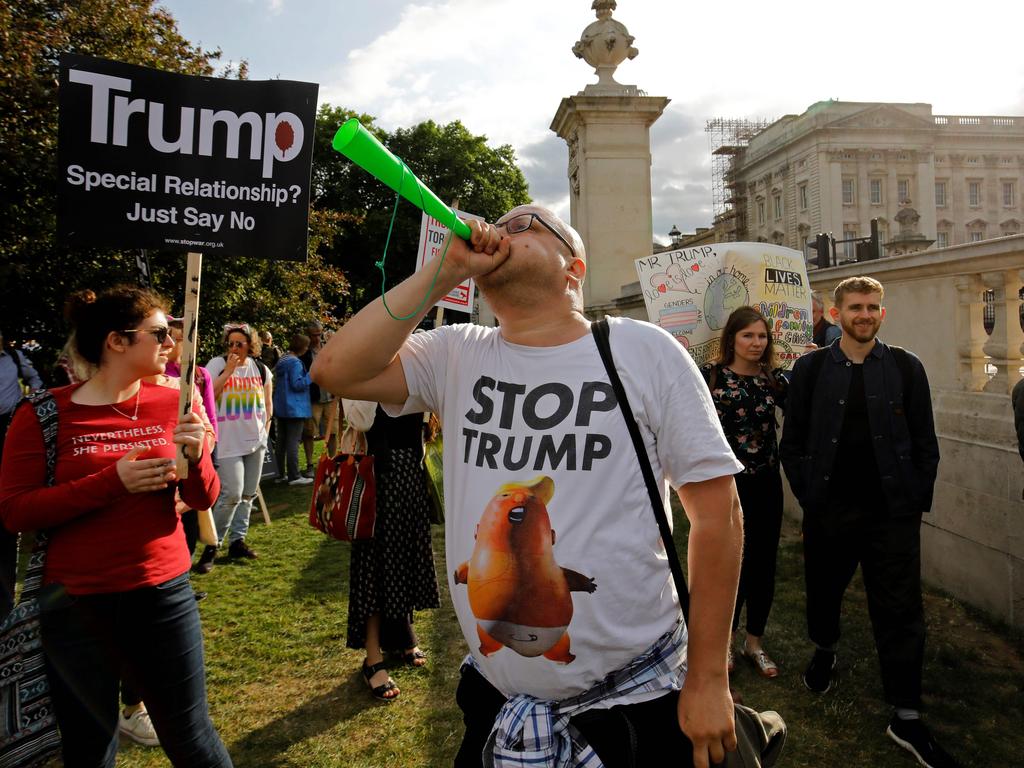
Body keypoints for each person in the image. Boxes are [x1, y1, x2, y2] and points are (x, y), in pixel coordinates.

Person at [311, 204, 745, 768]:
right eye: (501, 223)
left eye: (526, 225)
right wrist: (443, 273)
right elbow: (335, 370)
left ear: (574, 268)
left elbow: (719, 517)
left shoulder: (645, 350)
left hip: (636, 703)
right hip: (497, 703)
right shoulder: (457, 352)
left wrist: (709, 679)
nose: (502, 229)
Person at [0, 286, 232, 768]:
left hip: (163, 594)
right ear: (117, 342)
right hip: (76, 604)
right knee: (90, 745)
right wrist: (113, 481)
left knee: (191, 736)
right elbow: (16, 512)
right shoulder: (44, 413)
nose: (172, 342)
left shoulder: (174, 402)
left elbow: (204, 497)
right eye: (160, 332)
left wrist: (198, 456)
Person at [780, 276, 958, 768]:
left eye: (873, 307)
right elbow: (791, 443)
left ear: (884, 313)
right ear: (836, 314)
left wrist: (911, 500)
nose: (865, 314)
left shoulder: (906, 368)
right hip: (830, 512)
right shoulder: (811, 369)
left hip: (890, 515)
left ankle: (906, 714)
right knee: (824, 590)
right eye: (855, 306)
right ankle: (825, 649)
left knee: (901, 612)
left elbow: (926, 442)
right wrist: (810, 495)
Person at [700, 307, 788, 679]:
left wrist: (811, 363)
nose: (756, 343)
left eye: (762, 336)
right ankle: (726, 643)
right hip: (725, 485)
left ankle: (755, 643)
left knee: (763, 563)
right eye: (747, 336)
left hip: (766, 481)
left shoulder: (775, 380)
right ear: (732, 339)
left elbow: (807, 406)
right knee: (727, 563)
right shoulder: (711, 377)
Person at [341, 399, 440, 701]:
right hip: (377, 474)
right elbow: (359, 418)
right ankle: (373, 659)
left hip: (410, 469)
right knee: (376, 568)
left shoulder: (415, 354)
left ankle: (402, 636)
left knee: (406, 559)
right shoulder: (364, 358)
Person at [195, 323, 273, 573]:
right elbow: (205, 396)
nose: (235, 348)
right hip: (228, 442)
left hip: (256, 441)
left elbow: (268, 404)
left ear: (251, 344)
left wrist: (265, 431)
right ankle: (212, 545)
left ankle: (237, 541)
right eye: (231, 344)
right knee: (232, 494)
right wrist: (228, 371)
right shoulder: (216, 365)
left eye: (240, 343)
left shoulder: (261, 368)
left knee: (249, 495)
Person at [0, 329, 44, 617]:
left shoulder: (14, 357)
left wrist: (28, 405)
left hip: (7, 428)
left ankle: (5, 604)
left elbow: (35, 380)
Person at [272, 333, 314, 486]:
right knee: (293, 442)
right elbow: (297, 384)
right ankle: (294, 476)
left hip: (281, 406)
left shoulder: (282, 359)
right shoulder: (295, 363)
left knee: (281, 441)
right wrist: (311, 376)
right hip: (295, 408)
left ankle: (279, 474)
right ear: (302, 347)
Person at [299, 321, 336, 477]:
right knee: (309, 433)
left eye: (319, 333)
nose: (318, 337)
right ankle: (309, 465)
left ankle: (333, 461)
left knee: (333, 431)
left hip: (330, 397)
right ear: (308, 335)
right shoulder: (304, 353)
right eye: (314, 334)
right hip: (313, 399)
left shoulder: (328, 348)